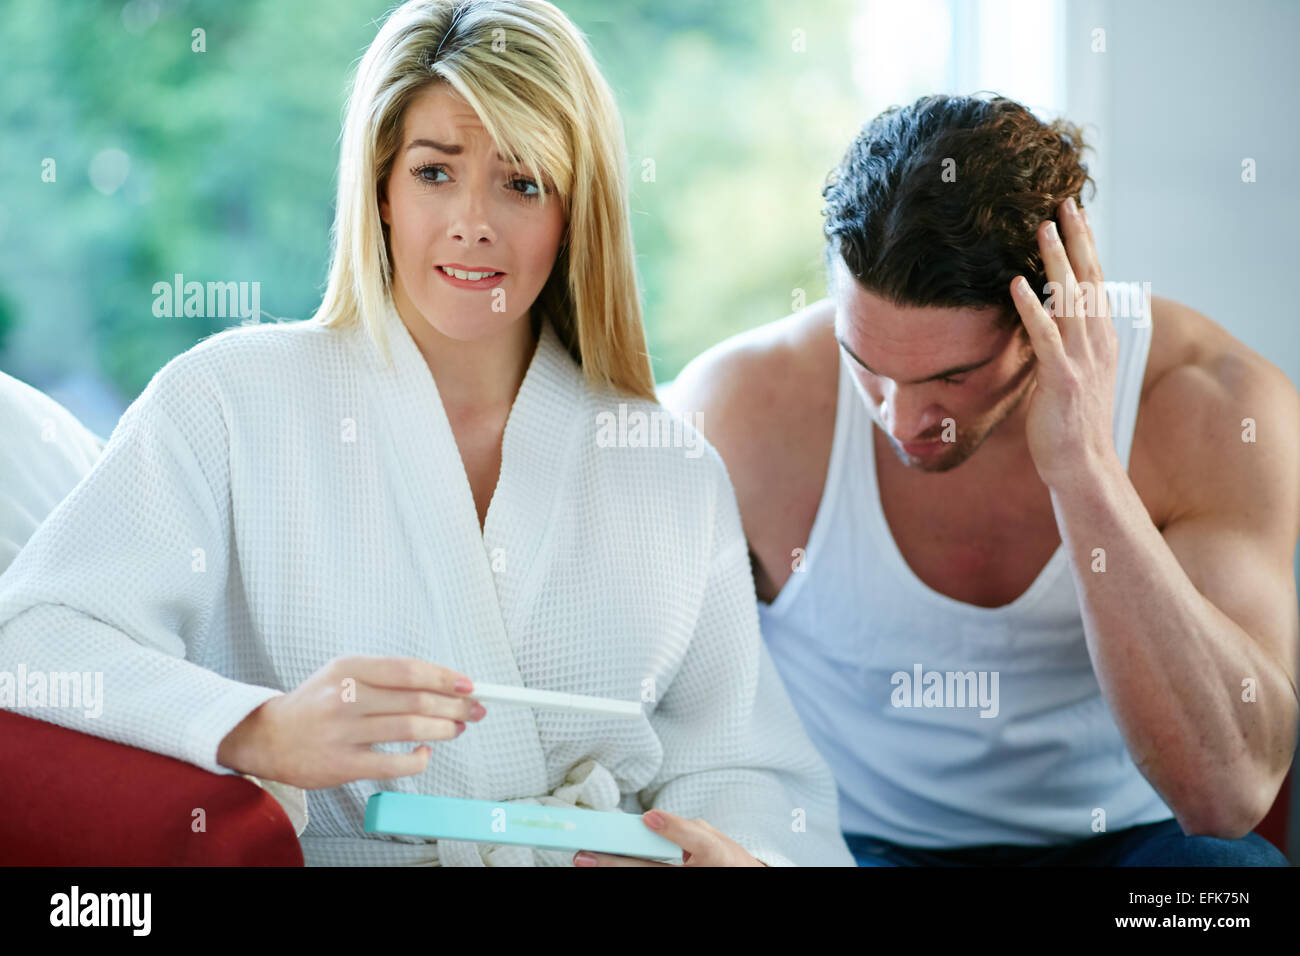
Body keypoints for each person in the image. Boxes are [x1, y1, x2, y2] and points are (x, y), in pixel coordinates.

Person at [0, 0, 854, 867]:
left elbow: (745, 770)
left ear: (574, 213)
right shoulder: (228, 399)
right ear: (380, 188)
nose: (472, 221)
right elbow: (34, 635)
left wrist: (733, 859)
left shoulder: (671, 469)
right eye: (435, 173)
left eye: (522, 183)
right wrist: (256, 730)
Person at [664, 94, 1299, 866]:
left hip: (1131, 850)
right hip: (851, 849)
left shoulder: (1215, 403)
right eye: (866, 365)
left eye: (952, 378)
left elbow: (1229, 794)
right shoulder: (738, 407)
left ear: (1057, 315)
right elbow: (647, 688)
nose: (900, 421)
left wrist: (1086, 468)